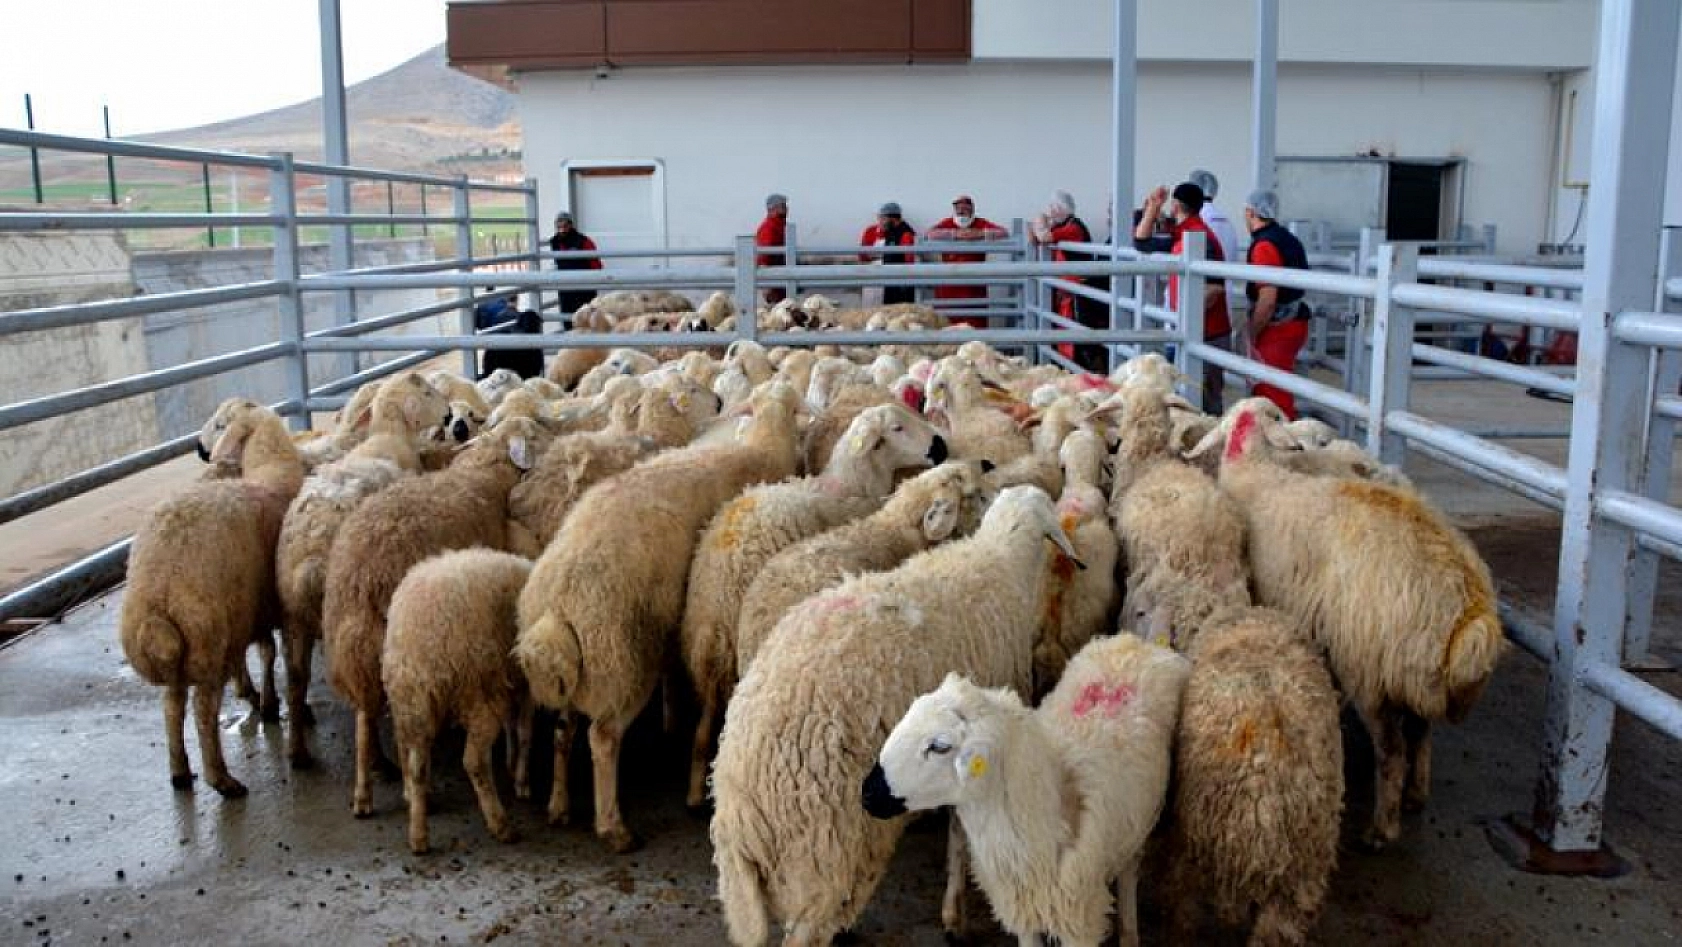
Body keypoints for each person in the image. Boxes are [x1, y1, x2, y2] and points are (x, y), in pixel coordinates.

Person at [1134, 182, 1231, 412]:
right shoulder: (1183, 232)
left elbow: (1215, 288)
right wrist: (1153, 209)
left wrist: (1188, 318)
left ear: (1176, 205)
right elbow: (1141, 242)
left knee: (1204, 401)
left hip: (1205, 333)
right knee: (1187, 397)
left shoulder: (1198, 236)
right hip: (1192, 330)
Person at [1241, 189, 1313, 419]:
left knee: (1271, 395)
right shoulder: (1289, 239)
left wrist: (1251, 332)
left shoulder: (1264, 246)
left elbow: (1268, 298)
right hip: (1295, 321)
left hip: (1277, 327)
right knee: (1278, 386)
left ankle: (1283, 447)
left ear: (1251, 212)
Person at [1031, 191, 1109, 373]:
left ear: (1060, 209)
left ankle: (1081, 369)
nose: (1050, 213)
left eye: (1052, 208)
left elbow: (1043, 237)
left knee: (1075, 333)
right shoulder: (1067, 226)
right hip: (1068, 289)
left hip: (1078, 291)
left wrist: (1040, 222)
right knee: (1065, 330)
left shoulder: (1073, 228)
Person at [925, 195, 1009, 328]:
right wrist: (954, 234)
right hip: (950, 282)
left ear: (972, 210)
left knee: (975, 323)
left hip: (974, 284)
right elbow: (930, 233)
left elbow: (1003, 232)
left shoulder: (980, 223)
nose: (961, 212)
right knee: (948, 324)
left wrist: (979, 234)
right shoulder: (947, 223)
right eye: (959, 209)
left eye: (965, 209)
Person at [859, 202, 917, 306]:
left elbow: (909, 261)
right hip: (884, 279)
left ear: (893, 219)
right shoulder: (890, 231)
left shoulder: (906, 234)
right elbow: (862, 255)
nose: (880, 222)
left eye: (883, 218)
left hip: (897, 283)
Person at [548, 212, 602, 321]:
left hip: (584, 287)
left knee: (586, 320)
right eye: (559, 226)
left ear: (571, 225)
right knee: (568, 320)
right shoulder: (554, 242)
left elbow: (596, 264)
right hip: (565, 288)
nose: (562, 229)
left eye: (565, 225)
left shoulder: (584, 241)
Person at [756, 193, 790, 304]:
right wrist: (767, 285)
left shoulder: (780, 226)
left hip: (781, 276)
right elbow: (764, 255)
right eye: (783, 206)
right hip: (774, 278)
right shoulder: (768, 228)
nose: (786, 209)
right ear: (773, 208)